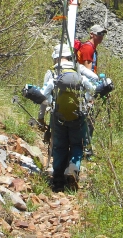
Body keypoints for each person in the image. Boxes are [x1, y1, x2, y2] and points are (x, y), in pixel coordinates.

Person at [39, 43, 96, 191]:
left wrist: (41, 116)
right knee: (77, 145)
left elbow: (43, 96)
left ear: (56, 57)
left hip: (57, 115)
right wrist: (88, 101)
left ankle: (58, 180)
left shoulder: (52, 73)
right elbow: (93, 85)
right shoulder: (79, 69)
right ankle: (73, 168)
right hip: (78, 115)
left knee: (59, 146)